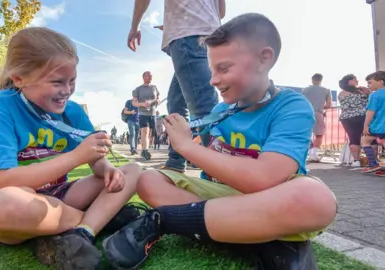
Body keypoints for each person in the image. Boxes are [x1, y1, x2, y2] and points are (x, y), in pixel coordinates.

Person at [103, 13, 337, 270]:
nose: (213, 80)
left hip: (269, 197)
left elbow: (265, 178)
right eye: (212, 70)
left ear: (264, 58)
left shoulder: (292, 106)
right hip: (225, 201)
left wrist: (187, 147)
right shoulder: (219, 112)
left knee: (317, 198)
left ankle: (170, 220)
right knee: (149, 179)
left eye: (223, 68)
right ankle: (256, 236)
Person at [0, 27, 142, 270]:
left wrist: (106, 169)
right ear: (19, 79)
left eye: (72, 80)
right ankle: (94, 221)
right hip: (20, 203)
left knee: (132, 171)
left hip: (61, 196)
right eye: (57, 82)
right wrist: (76, 156)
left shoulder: (73, 111)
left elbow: (94, 157)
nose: (67, 90)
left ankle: (81, 233)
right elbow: (2, 182)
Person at [127, 0, 224, 172]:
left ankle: (221, 172)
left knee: (202, 107)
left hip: (187, 35)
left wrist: (135, 27)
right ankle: (176, 161)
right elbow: (221, 11)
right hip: (212, 33)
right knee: (176, 103)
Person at [338, 74, 372, 167]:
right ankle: (372, 161)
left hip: (346, 117)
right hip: (361, 116)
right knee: (369, 137)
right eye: (355, 79)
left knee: (353, 138)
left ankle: (356, 161)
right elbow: (369, 102)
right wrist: (368, 92)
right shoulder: (360, 91)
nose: (357, 81)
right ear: (349, 81)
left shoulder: (341, 93)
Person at [301, 73, 332, 162]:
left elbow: (301, 102)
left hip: (305, 113)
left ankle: (310, 153)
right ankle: (313, 153)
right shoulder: (326, 90)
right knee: (319, 135)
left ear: (312, 79)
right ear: (321, 80)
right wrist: (322, 108)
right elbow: (329, 104)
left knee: (307, 134)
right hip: (317, 113)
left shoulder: (305, 90)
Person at [361, 71, 385, 174]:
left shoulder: (374, 95)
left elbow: (370, 112)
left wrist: (366, 125)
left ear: (380, 82)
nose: (368, 85)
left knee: (365, 140)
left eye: (370, 82)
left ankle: (373, 164)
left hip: (379, 125)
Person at [132, 71, 159, 160]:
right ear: (143, 77)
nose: (151, 77)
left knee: (150, 133)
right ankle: (145, 150)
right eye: (149, 75)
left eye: (151, 75)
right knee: (145, 131)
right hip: (143, 113)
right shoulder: (138, 89)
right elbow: (134, 102)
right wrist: (143, 104)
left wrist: (157, 101)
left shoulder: (154, 88)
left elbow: (157, 98)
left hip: (153, 113)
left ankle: (143, 150)